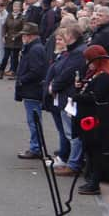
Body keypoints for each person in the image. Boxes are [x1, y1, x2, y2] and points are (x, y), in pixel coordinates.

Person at [73, 45, 109, 195]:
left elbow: (95, 96)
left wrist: (78, 96)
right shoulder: (94, 74)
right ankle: (90, 178)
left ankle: (94, 182)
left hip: (95, 119)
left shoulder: (104, 77)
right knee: (89, 150)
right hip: (87, 118)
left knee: (95, 152)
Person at [51, 24, 87, 177]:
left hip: (69, 96)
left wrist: (55, 86)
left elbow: (68, 73)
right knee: (68, 132)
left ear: (71, 36)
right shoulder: (74, 51)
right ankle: (71, 161)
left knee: (71, 133)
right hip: (65, 95)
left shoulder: (77, 53)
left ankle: (73, 164)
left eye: (65, 35)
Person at [14, 23, 47, 159]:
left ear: (31, 36)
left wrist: (22, 79)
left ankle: (36, 148)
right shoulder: (34, 48)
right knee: (33, 120)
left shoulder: (35, 50)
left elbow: (37, 71)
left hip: (33, 90)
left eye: (25, 35)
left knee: (33, 121)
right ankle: (36, 146)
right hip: (31, 90)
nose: (23, 37)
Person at [43, 29, 71, 168]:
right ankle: (63, 155)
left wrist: (52, 86)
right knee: (61, 129)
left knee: (64, 130)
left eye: (61, 40)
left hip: (60, 97)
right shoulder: (59, 56)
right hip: (55, 97)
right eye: (57, 40)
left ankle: (64, 158)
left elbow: (61, 76)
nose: (58, 42)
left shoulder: (66, 57)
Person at [0, 2, 23, 79]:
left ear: (20, 8)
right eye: (14, 6)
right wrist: (3, 35)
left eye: (17, 7)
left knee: (14, 57)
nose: (15, 8)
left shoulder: (22, 17)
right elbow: (4, 26)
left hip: (17, 40)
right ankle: (1, 72)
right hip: (8, 39)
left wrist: (16, 36)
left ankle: (14, 73)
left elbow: (23, 30)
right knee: (5, 56)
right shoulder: (9, 16)